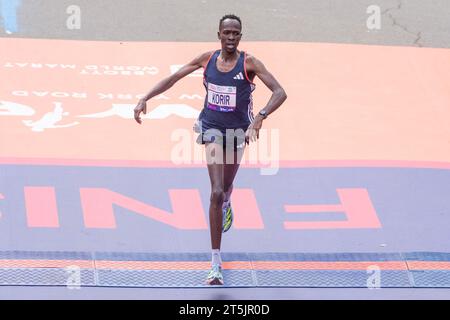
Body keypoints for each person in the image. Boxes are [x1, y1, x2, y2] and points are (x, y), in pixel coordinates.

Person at [134, 14, 287, 285]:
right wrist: (145, 97)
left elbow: (279, 92)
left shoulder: (249, 63)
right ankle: (215, 263)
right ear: (218, 34)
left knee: (226, 188)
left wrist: (260, 117)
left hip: (239, 132)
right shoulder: (207, 60)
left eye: (235, 34)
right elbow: (173, 78)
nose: (231, 37)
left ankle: (228, 200)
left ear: (240, 36)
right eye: (226, 32)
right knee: (215, 191)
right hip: (212, 129)